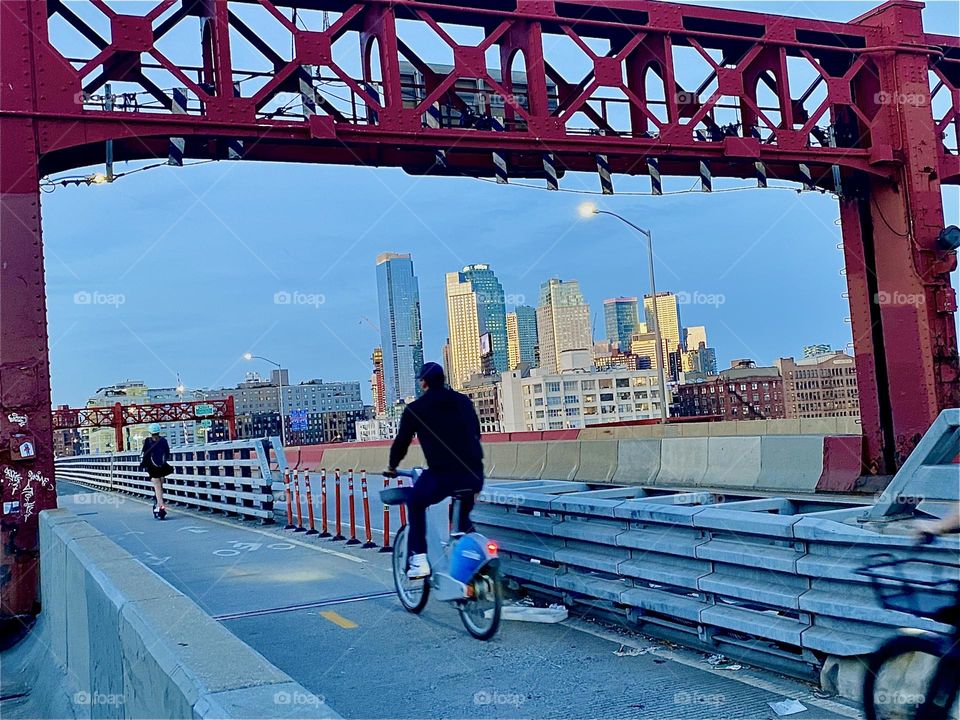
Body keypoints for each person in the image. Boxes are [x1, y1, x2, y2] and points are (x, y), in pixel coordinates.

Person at [386, 362, 483, 579]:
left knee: (415, 501)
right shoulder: (463, 402)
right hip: (474, 473)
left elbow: (402, 442)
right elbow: (477, 433)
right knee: (461, 518)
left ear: (423, 383)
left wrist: (392, 466)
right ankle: (471, 565)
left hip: (443, 474)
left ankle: (419, 559)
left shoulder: (416, 409)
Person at [140, 423, 172, 519]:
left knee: (157, 487)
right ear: (159, 431)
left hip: (152, 468)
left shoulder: (147, 441)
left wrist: (144, 465)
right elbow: (167, 453)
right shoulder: (163, 441)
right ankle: (160, 505)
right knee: (161, 487)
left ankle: (160, 506)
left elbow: (145, 454)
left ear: (150, 432)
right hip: (162, 467)